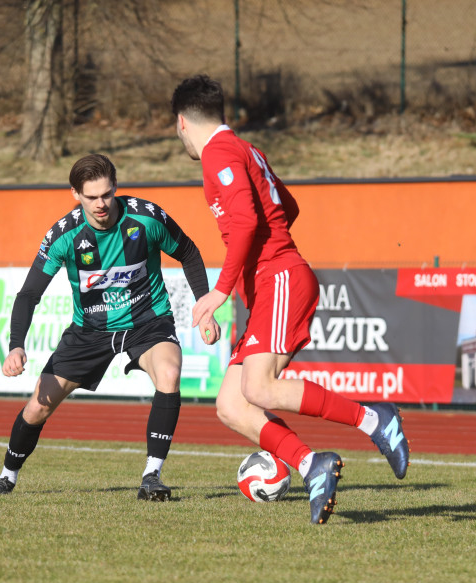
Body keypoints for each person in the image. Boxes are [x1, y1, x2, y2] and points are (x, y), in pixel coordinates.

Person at [171, 74, 410, 525]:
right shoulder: (247, 149)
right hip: (269, 283)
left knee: (259, 388)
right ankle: (311, 465)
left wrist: (220, 291)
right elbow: (288, 205)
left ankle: (375, 420)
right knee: (232, 405)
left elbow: (243, 224)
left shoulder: (218, 153)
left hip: (278, 277)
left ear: (182, 122)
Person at [0, 153, 220, 499]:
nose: (101, 203)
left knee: (169, 374)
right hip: (89, 331)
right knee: (37, 406)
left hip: (147, 322)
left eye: (106, 194)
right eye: (91, 197)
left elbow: (189, 253)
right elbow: (30, 293)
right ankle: (7, 477)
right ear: (75, 194)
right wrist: (17, 344)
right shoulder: (64, 235)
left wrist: (205, 307)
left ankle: (152, 475)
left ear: (116, 187)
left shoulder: (147, 218)